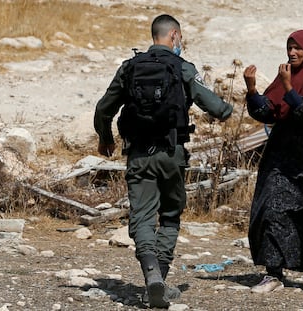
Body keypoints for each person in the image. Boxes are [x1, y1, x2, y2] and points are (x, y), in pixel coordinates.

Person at [94, 14, 233, 308]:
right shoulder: (182, 67)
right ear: (175, 36)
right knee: (170, 216)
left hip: (139, 155)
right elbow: (218, 108)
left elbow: (103, 109)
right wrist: (228, 107)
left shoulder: (129, 68)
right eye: (180, 38)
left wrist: (105, 138)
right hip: (172, 155)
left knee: (142, 218)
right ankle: (161, 278)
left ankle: (151, 275)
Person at [243, 30, 303, 296]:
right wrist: (251, 90)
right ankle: (273, 273)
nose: (292, 53)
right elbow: (267, 113)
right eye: (289, 47)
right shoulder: (285, 76)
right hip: (283, 158)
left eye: (298, 48)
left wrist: (289, 88)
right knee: (274, 210)